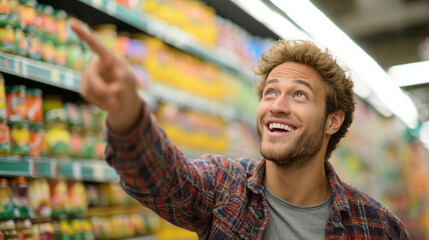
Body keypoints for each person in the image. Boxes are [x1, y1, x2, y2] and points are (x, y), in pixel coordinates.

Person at [71, 22, 410, 239]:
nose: (277, 105)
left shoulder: (377, 227)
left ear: (332, 121)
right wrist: (127, 113)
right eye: (270, 92)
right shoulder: (225, 189)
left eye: (299, 95)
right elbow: (164, 181)